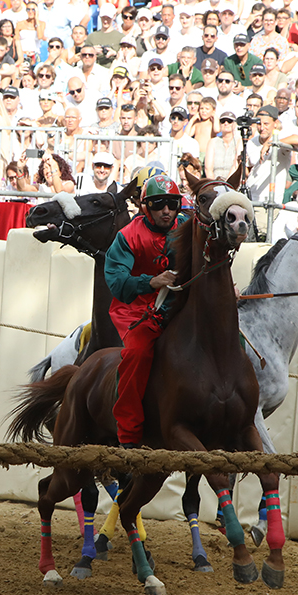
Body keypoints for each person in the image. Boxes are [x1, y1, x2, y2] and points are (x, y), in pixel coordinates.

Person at [104, 174, 186, 446]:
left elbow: (211, 257)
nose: (166, 210)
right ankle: (128, 435)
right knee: (137, 353)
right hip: (137, 311)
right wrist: (151, 281)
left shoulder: (188, 225)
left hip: (179, 305)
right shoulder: (127, 236)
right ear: (144, 207)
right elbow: (116, 283)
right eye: (159, 204)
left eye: (172, 204)